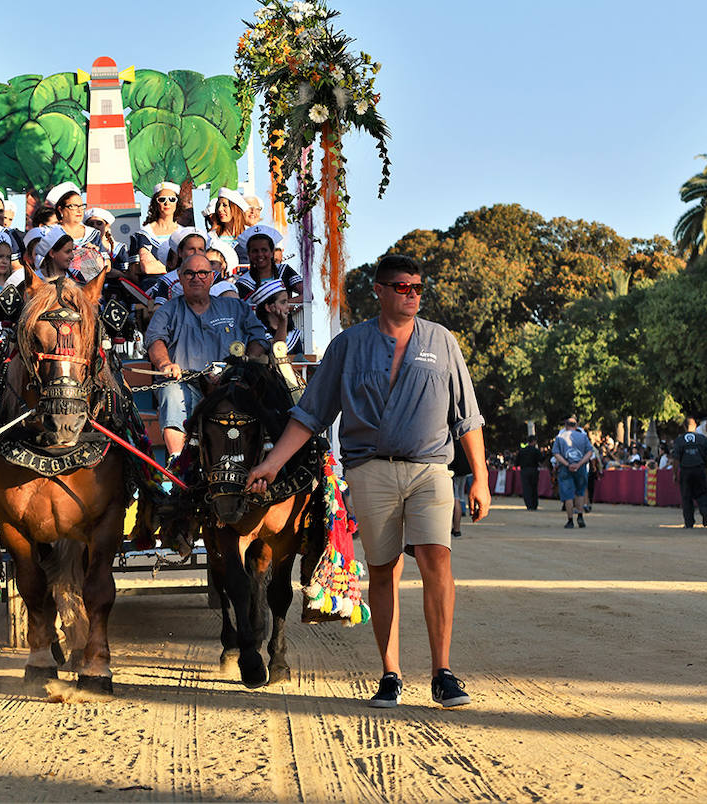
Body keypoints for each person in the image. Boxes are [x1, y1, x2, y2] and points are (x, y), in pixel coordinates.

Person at [247, 253, 490, 710]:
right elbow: (311, 414)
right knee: (383, 568)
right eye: (402, 287)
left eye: (418, 287)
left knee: (438, 558)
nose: (412, 295)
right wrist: (273, 463)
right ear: (378, 291)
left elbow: (467, 417)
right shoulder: (349, 345)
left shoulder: (442, 343)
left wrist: (479, 477)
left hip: (430, 468)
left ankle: (443, 673)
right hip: (370, 469)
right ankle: (391, 674)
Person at [146, 254, 270, 460]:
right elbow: (154, 340)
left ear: (212, 277)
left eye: (203, 273)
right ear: (180, 277)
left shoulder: (236, 308)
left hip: (231, 384)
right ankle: (179, 463)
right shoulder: (168, 310)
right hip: (185, 382)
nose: (197, 278)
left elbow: (259, 338)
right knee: (170, 392)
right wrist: (164, 363)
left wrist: (243, 364)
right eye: (190, 273)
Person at [130, 182, 185, 286]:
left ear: (177, 203)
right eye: (162, 199)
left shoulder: (184, 234)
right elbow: (145, 268)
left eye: (172, 199)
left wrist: (156, 265)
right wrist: (179, 267)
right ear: (156, 203)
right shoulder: (142, 234)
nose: (167, 203)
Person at [235, 224, 304, 301]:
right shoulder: (243, 282)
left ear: (272, 252)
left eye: (264, 250)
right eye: (255, 251)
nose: (260, 254)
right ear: (249, 254)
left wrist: (284, 305)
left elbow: (307, 295)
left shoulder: (284, 270)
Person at [671, 416, 707, 528]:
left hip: (686, 471)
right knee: (702, 493)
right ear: (695, 426)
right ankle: (704, 511)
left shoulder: (679, 440)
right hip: (699, 470)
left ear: (684, 427)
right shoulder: (702, 439)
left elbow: (676, 459)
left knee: (686, 497)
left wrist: (675, 474)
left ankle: (689, 522)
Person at [552, 416, 594, 529]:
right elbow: (590, 452)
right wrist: (579, 464)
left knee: (568, 495)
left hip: (565, 468)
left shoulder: (559, 438)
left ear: (565, 426)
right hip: (580, 468)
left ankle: (570, 520)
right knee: (580, 492)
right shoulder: (583, 437)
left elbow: (556, 454)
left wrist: (567, 464)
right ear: (576, 426)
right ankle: (580, 516)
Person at [47, 182, 100, 249]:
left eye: (81, 206)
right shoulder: (51, 233)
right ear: (60, 210)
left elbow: (106, 259)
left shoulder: (92, 234)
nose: (79, 210)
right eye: (73, 206)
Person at [207, 187, 251, 262]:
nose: (220, 209)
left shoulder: (250, 234)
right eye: (218, 205)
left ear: (236, 208)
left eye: (224, 205)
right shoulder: (211, 237)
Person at [516, 435, 543, 511]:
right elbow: (541, 459)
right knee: (534, 488)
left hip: (524, 470)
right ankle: (534, 504)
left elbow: (517, 462)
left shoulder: (522, 451)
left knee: (526, 488)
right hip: (534, 470)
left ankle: (529, 505)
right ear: (534, 441)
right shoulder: (536, 450)